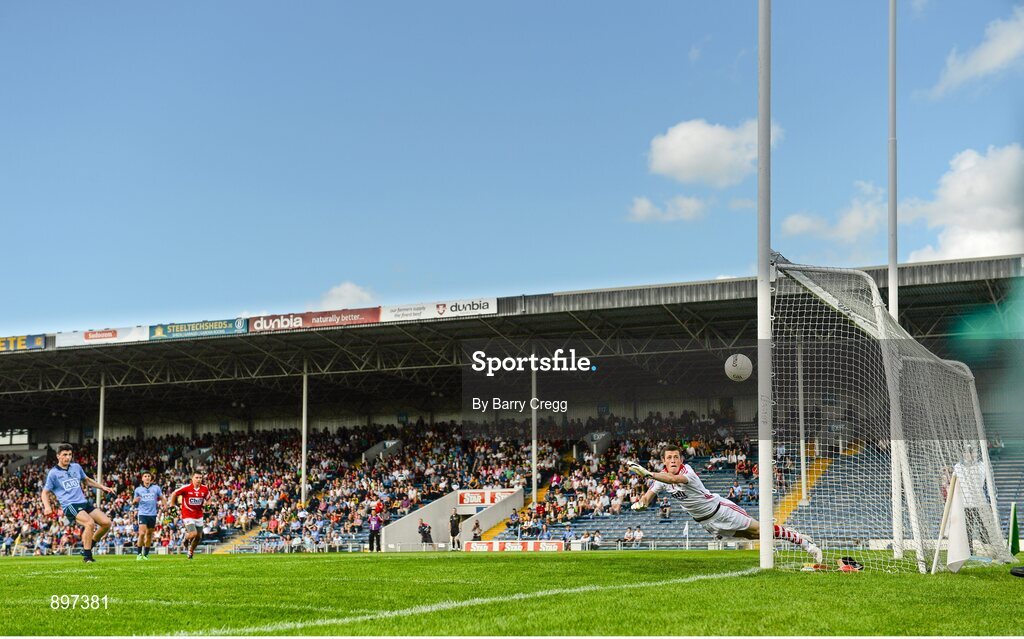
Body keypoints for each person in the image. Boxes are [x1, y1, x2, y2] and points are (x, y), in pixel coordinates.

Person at [630, 445, 822, 563]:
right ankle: (791, 536)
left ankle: (805, 543)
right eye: (669, 458)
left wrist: (649, 473)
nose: (673, 460)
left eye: (676, 457)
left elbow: (674, 480)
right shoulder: (661, 478)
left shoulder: (686, 471)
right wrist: (641, 503)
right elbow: (648, 496)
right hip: (706, 523)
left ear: (681, 459)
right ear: (664, 460)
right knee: (751, 536)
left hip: (721, 510)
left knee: (760, 530)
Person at [40, 444, 116, 563]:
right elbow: (45, 492)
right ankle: (87, 557)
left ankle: (89, 546)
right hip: (70, 505)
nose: (68, 457)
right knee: (89, 523)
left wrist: (102, 487)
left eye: (70, 454)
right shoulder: (53, 473)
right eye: (65, 454)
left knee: (106, 523)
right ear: (58, 456)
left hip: (83, 502)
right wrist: (47, 507)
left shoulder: (76, 467)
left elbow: (86, 480)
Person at [171, 471, 212, 560]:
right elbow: (174, 494)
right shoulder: (186, 488)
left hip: (199, 515)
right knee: (193, 533)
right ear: (192, 478)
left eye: (200, 478)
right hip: (187, 514)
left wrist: (208, 508)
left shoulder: (204, 489)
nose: (198, 479)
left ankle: (191, 551)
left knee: (198, 537)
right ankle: (185, 538)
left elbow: (209, 499)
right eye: (196, 477)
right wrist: (172, 507)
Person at [133, 471, 164, 561]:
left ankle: (146, 555)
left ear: (151, 478)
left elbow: (162, 498)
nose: (147, 477)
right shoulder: (138, 490)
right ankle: (139, 554)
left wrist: (165, 505)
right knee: (142, 533)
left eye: (148, 476)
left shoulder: (156, 488)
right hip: (142, 514)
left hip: (152, 514)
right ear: (142, 479)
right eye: (145, 476)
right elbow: (134, 502)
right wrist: (135, 501)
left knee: (149, 534)